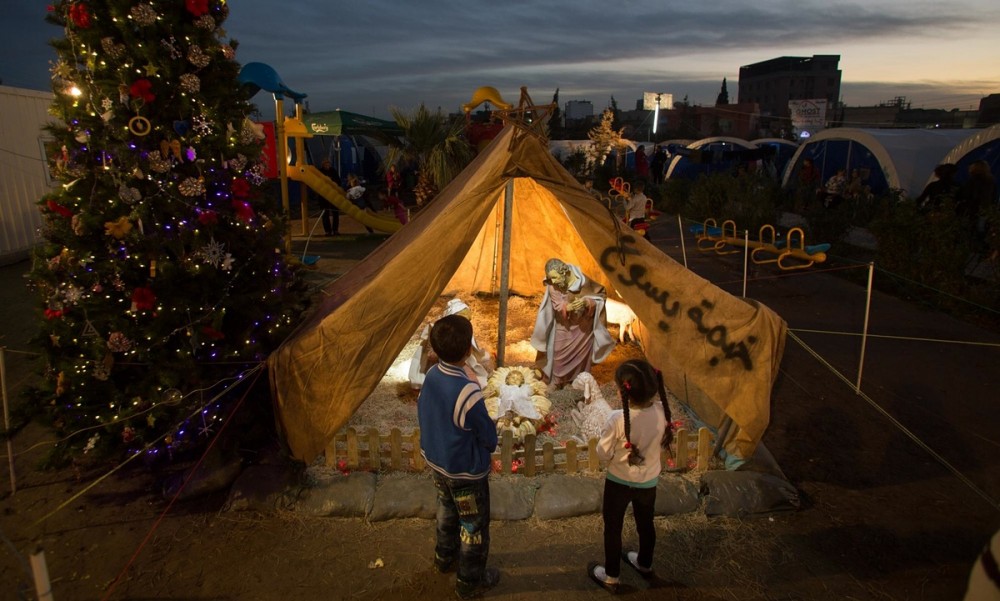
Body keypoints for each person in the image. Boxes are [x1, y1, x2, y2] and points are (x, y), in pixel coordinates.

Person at [416, 313, 501, 599]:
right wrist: (491, 442)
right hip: (465, 473)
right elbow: (486, 433)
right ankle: (469, 581)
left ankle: (444, 557)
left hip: (438, 464)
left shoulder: (431, 376)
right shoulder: (468, 391)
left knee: (446, 510)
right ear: (468, 351)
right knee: (472, 525)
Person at [587, 359, 674, 593]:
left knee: (613, 527)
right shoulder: (661, 411)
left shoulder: (617, 419)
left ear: (621, 390)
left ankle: (611, 575)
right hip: (648, 482)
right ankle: (645, 563)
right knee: (646, 523)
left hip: (618, 482)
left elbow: (603, 452)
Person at [530, 258, 614, 390]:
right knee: (558, 352)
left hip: (583, 330)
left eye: (556, 278)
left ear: (565, 272)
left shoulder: (583, 282)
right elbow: (557, 304)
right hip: (563, 325)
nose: (553, 281)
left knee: (581, 358)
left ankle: (578, 383)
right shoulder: (553, 285)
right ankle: (557, 381)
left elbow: (600, 296)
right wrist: (567, 307)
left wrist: (586, 302)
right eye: (551, 278)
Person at [409, 298, 493, 390]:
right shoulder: (438, 332)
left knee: (479, 378)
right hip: (442, 364)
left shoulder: (464, 333)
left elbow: (474, 353)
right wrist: (445, 352)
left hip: (459, 362)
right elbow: (430, 354)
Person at [317, 159, 341, 236]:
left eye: (328, 164)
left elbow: (338, 181)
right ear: (323, 165)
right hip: (323, 196)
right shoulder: (320, 172)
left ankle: (335, 230)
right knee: (325, 214)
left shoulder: (333, 171)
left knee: (335, 213)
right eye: (326, 165)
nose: (327, 166)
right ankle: (327, 231)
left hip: (333, 194)